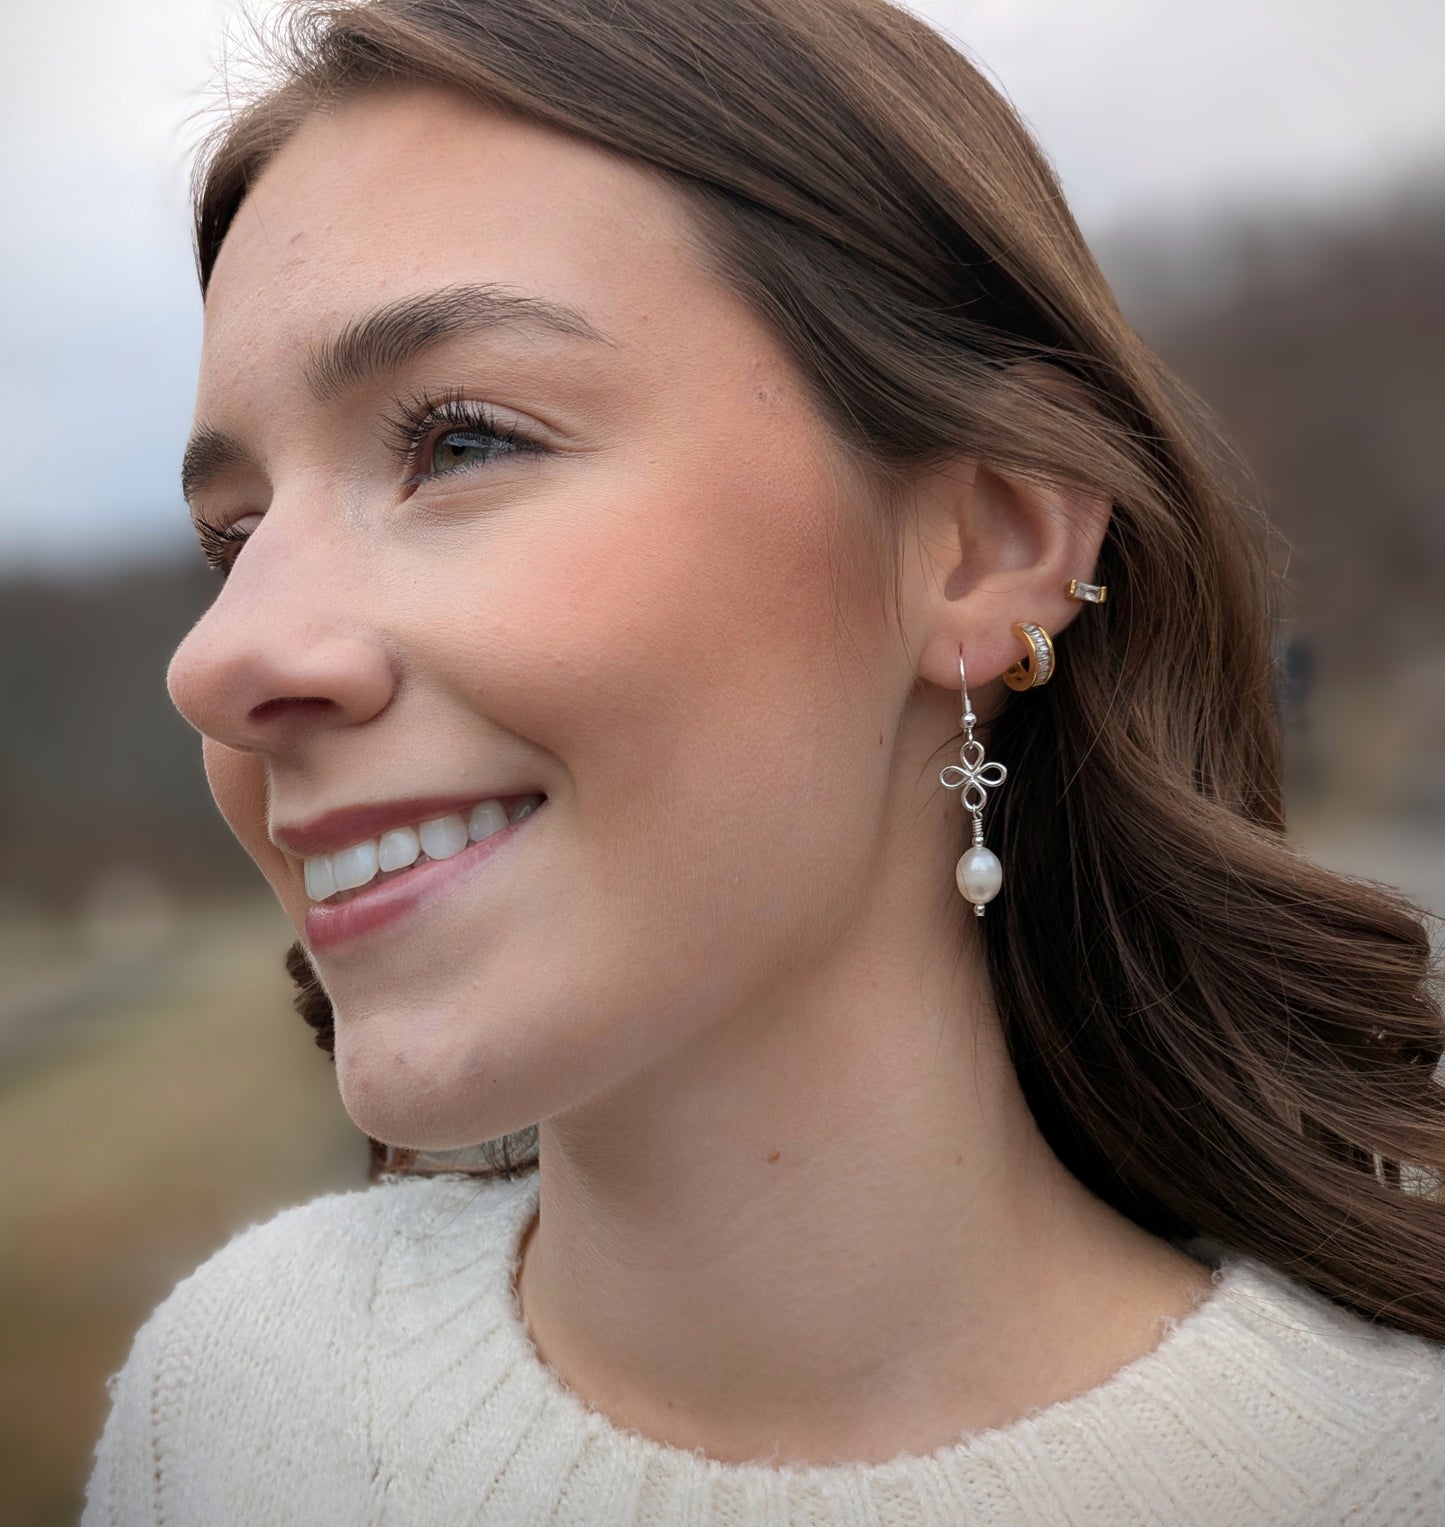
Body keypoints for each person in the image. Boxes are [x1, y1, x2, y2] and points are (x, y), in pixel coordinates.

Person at [83, 0, 1445, 1521]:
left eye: (462, 442)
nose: (216, 661)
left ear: (984, 548)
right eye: (235, 537)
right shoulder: (232, 1409)